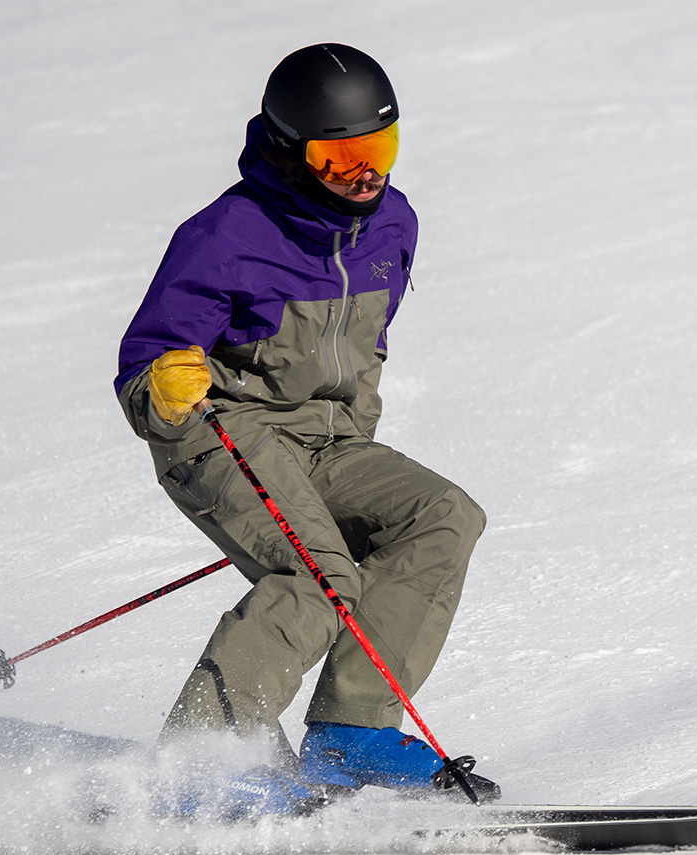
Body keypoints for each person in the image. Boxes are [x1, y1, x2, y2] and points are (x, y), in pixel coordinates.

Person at [116, 43, 496, 810]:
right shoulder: (226, 235)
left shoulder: (393, 223)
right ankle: (200, 765)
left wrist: (352, 442)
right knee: (318, 580)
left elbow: (367, 346)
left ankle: (351, 736)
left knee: (444, 515)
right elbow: (144, 365)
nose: (367, 172)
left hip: (329, 443)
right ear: (292, 154)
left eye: (379, 148)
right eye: (339, 157)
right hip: (219, 431)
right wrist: (163, 385)